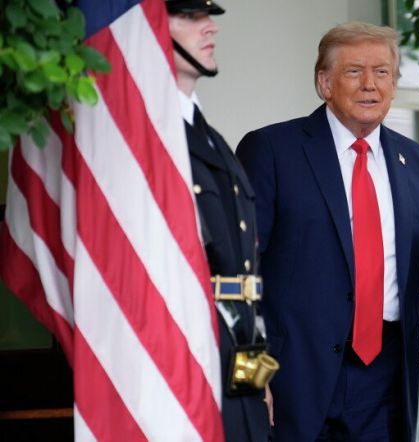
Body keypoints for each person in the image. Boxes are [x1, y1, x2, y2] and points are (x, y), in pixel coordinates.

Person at [236, 22, 419, 441]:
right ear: (324, 83)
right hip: (291, 380)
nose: (370, 84)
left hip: (386, 380)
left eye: (382, 72)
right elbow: (238, 272)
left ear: (394, 84)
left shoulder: (418, 162)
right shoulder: (272, 150)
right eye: (354, 71)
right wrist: (248, 380)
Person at [167, 1, 273, 440]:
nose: (210, 27)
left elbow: (241, 280)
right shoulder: (153, 138)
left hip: (237, 365)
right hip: (187, 363)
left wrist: (258, 379)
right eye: (190, 16)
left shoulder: (210, 139)